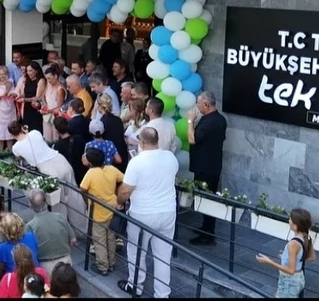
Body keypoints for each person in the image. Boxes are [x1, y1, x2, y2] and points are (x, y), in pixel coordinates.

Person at [116, 127, 179, 298]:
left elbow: (125, 191)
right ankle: (162, 294)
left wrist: (119, 202)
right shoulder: (170, 157)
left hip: (142, 214)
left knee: (137, 252)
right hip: (167, 212)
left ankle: (135, 286)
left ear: (142, 142)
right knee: (163, 256)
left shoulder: (136, 162)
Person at [9, 122, 86, 234]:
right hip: (60, 160)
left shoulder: (16, 147)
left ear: (12, 134)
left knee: (58, 203)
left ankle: (63, 231)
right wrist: (26, 131)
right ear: (22, 127)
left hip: (48, 169)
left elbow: (20, 157)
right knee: (74, 196)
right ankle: (83, 228)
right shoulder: (35, 133)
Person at [188, 91, 228, 245]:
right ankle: (206, 227)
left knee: (207, 199)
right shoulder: (219, 118)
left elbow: (193, 139)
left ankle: (208, 234)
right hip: (209, 165)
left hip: (206, 167)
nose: (197, 107)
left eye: (199, 104)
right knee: (205, 198)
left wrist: (190, 121)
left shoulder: (210, 122)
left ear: (206, 104)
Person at [80, 147, 123, 276]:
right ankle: (112, 263)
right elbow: (124, 180)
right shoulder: (112, 169)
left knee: (99, 241)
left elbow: (82, 189)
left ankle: (103, 267)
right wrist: (117, 195)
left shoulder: (91, 173)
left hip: (97, 213)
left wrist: (88, 201)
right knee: (111, 238)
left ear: (90, 161)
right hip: (112, 209)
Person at [255, 208, 316, 298]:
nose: (289, 220)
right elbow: (311, 257)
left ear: (296, 225)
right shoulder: (305, 237)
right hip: (298, 278)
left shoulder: (293, 244)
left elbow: (290, 270)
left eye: (291, 219)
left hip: (289, 281)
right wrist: (287, 256)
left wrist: (268, 261)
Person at [26, 189, 75, 278]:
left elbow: (29, 251)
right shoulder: (60, 217)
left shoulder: (30, 226)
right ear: (46, 201)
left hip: (46, 267)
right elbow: (73, 240)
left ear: (30, 206)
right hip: (66, 262)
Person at [0, 65, 17, 151]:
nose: (2, 76)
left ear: (7, 74)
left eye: (4, 74)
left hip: (10, 110)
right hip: (0, 111)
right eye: (0, 74)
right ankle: (1, 153)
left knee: (10, 133)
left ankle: (10, 153)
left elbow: (16, 97)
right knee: (0, 133)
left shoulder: (11, 84)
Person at [17, 62, 46, 134]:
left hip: (35, 108)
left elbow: (38, 97)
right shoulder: (27, 80)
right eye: (27, 71)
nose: (28, 73)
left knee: (35, 130)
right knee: (26, 129)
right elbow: (25, 93)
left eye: (30, 71)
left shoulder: (41, 80)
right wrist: (19, 96)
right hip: (27, 108)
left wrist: (24, 99)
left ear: (36, 71)